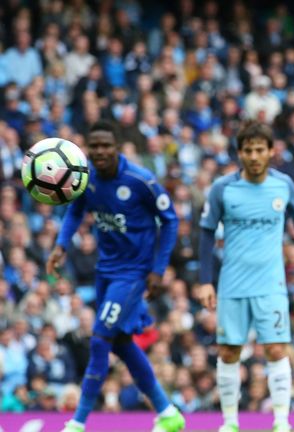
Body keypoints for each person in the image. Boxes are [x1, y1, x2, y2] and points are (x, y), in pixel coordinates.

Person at [48, 120, 184, 432]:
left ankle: (78, 422)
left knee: (99, 340)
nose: (100, 151)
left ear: (117, 147)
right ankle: (167, 412)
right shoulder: (87, 179)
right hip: (105, 271)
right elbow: (75, 211)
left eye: (106, 145)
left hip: (134, 274)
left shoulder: (140, 180)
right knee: (120, 342)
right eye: (94, 146)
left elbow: (170, 219)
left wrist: (158, 269)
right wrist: (61, 245)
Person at [197, 122, 294, 432]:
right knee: (229, 351)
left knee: (276, 348)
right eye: (247, 150)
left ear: (271, 151)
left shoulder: (283, 185)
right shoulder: (223, 188)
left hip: (271, 282)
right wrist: (205, 281)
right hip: (232, 283)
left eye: (259, 150)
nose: (253, 156)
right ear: (239, 153)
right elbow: (207, 233)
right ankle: (230, 422)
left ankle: (280, 421)